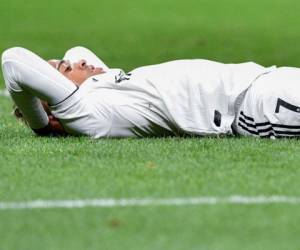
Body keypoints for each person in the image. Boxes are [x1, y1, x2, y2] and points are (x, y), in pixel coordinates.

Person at [2, 46, 300, 139]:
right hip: (257, 106)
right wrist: (44, 126)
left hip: (268, 79)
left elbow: (77, 49)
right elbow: (13, 60)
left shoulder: (103, 82)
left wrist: (64, 71)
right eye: (67, 69)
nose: (79, 61)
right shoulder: (90, 113)